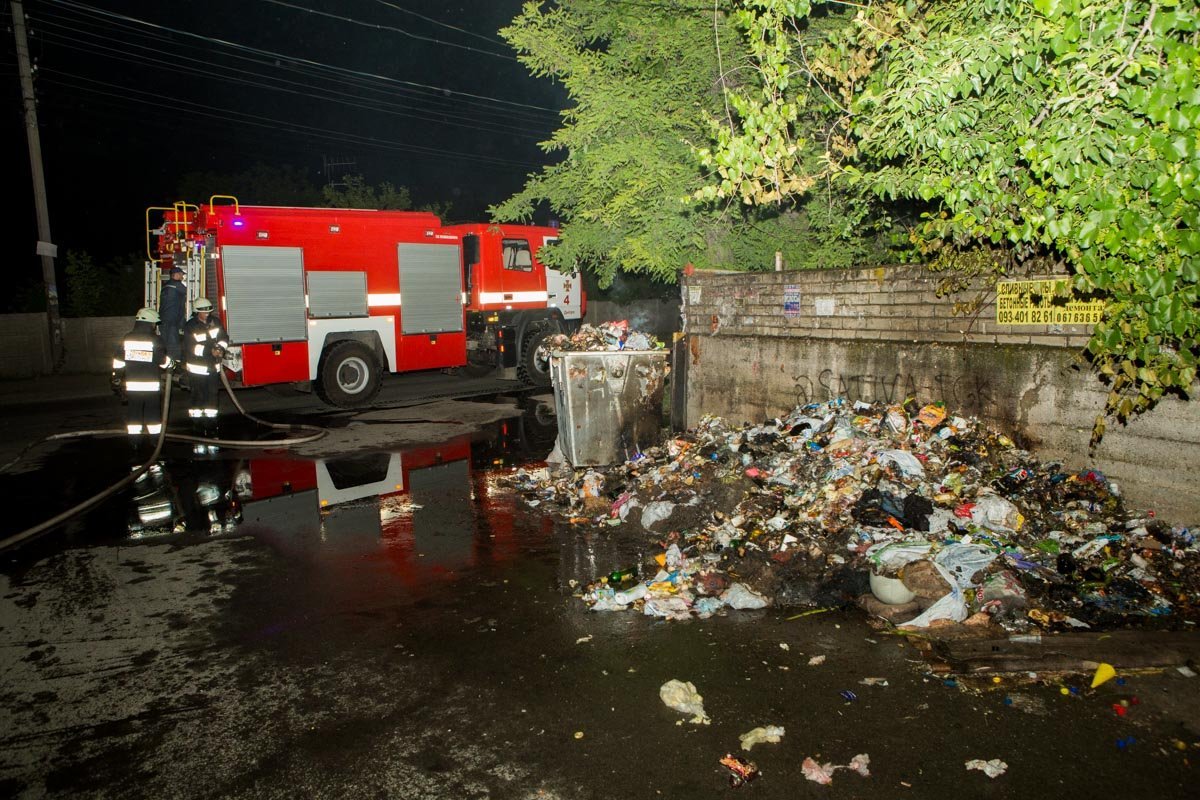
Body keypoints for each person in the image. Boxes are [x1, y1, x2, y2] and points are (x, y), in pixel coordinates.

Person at [111, 307, 173, 456]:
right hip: (151, 386)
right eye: (154, 323)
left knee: (134, 415)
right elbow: (162, 361)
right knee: (153, 416)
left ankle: (134, 443)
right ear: (150, 323)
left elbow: (119, 361)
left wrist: (116, 377)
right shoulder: (155, 340)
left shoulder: (127, 338)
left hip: (133, 386)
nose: (155, 326)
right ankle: (155, 442)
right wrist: (173, 364)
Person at [182, 297, 230, 437]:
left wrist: (220, 348)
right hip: (197, 368)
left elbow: (223, 337)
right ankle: (197, 424)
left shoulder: (215, 322)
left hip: (212, 367)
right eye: (204, 312)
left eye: (209, 311)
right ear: (197, 312)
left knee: (212, 395)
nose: (207, 314)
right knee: (198, 396)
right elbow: (190, 347)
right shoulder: (190, 326)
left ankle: (211, 423)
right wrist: (210, 351)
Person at [158, 265, 187, 362]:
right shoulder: (177, 285)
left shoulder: (166, 286)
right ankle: (174, 366)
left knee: (165, 343)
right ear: (175, 275)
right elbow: (190, 292)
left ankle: (166, 364)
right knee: (173, 345)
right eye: (181, 275)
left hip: (163, 320)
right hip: (172, 321)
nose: (182, 277)